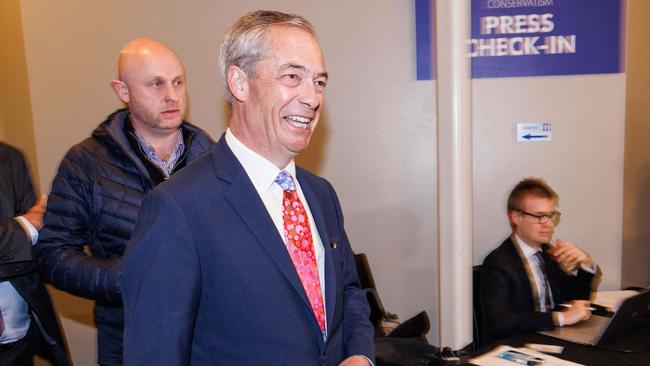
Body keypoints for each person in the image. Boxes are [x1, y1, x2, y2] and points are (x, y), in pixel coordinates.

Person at [122, 11, 375, 366]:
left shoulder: (321, 195)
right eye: (292, 77)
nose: (313, 98)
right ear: (239, 83)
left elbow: (349, 292)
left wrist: (360, 355)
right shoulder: (177, 208)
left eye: (319, 82)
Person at [34, 38, 214, 365]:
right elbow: (52, 254)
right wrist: (130, 277)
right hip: (129, 340)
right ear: (123, 91)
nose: (171, 96)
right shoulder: (86, 162)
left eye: (177, 82)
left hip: (208, 340)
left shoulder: (213, 157)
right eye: (155, 84)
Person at [480, 177, 599, 343]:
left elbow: (577, 300)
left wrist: (586, 265)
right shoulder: (498, 263)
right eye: (540, 216)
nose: (549, 225)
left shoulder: (548, 253)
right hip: (518, 345)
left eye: (551, 216)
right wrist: (560, 318)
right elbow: (501, 323)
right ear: (516, 217)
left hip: (553, 338)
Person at [0, 142, 70, 366]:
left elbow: (36, 242)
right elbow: (30, 228)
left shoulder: (10, 158)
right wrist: (23, 227)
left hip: (19, 341)